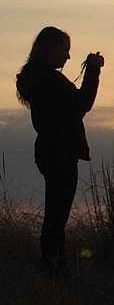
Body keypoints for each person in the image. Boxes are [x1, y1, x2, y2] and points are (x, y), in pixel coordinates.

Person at [16, 26, 104, 278]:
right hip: (60, 151)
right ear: (49, 48)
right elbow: (82, 103)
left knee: (57, 209)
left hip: (47, 149)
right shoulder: (48, 79)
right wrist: (94, 70)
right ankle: (49, 265)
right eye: (63, 50)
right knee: (58, 213)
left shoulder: (35, 77)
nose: (67, 57)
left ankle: (59, 268)